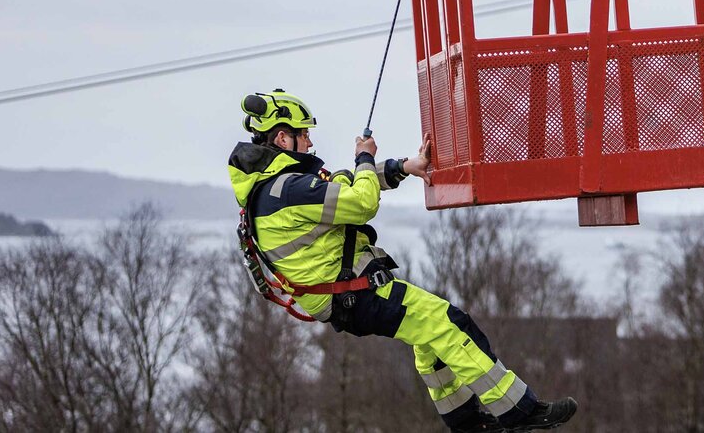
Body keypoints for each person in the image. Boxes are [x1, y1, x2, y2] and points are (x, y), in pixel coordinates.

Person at [227, 89, 578, 433]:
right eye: (305, 135)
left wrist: (404, 167)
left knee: (429, 340)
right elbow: (360, 202)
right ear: (284, 137)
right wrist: (364, 157)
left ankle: (467, 422)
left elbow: (341, 186)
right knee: (449, 323)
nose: (309, 144)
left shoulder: (274, 188)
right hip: (353, 294)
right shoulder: (290, 189)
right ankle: (521, 412)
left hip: (342, 296)